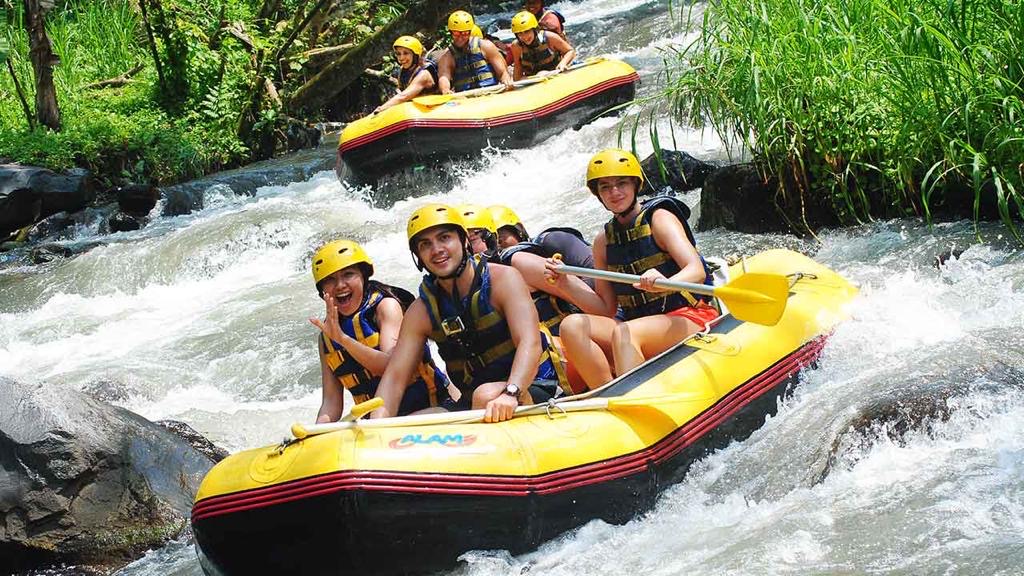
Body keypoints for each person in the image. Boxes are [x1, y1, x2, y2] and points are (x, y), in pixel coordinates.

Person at [370, 204, 568, 422]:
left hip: (532, 388)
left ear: (463, 240)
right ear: (418, 255)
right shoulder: (421, 311)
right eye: (425, 244)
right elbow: (395, 377)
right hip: (473, 403)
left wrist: (511, 392)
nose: (436, 250)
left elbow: (529, 342)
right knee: (413, 421)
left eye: (444, 238)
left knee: (485, 395)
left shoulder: (504, 279)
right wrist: (377, 425)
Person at [545, 149, 719, 390]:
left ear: (636, 185)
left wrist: (666, 281)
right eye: (605, 187)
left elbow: (696, 271)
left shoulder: (660, 218)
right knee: (572, 326)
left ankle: (628, 397)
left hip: (689, 315)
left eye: (621, 183)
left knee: (626, 332)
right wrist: (567, 283)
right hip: (638, 323)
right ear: (598, 195)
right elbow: (607, 309)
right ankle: (606, 396)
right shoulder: (603, 242)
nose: (614, 192)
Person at [309, 239, 450, 422]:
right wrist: (317, 433)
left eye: (348, 274)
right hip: (378, 424)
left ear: (363, 276)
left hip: (432, 408)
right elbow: (331, 402)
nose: (340, 285)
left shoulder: (387, 307)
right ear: (322, 291)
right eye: (330, 280)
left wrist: (344, 340)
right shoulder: (327, 337)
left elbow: (391, 367)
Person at [436, 10, 513, 94]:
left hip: (490, 92)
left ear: (470, 32)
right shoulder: (447, 56)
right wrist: (445, 89)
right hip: (466, 96)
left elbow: (502, 72)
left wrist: (505, 79)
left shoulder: (486, 46)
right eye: (456, 33)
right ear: (451, 32)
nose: (460, 37)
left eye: (465, 33)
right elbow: (444, 77)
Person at [374, 36, 439, 114]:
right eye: (398, 54)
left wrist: (381, 108)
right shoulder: (403, 71)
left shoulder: (424, 74)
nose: (401, 58)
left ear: (415, 55)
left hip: (432, 110)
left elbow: (404, 96)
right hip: (417, 111)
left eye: (406, 53)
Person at [508, 11, 575, 81]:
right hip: (534, 80)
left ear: (534, 29)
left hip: (555, 74)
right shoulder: (516, 46)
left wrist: (563, 64)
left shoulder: (550, 37)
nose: (524, 36)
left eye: (527, 31)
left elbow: (570, 51)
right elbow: (518, 68)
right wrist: (518, 81)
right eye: (519, 33)